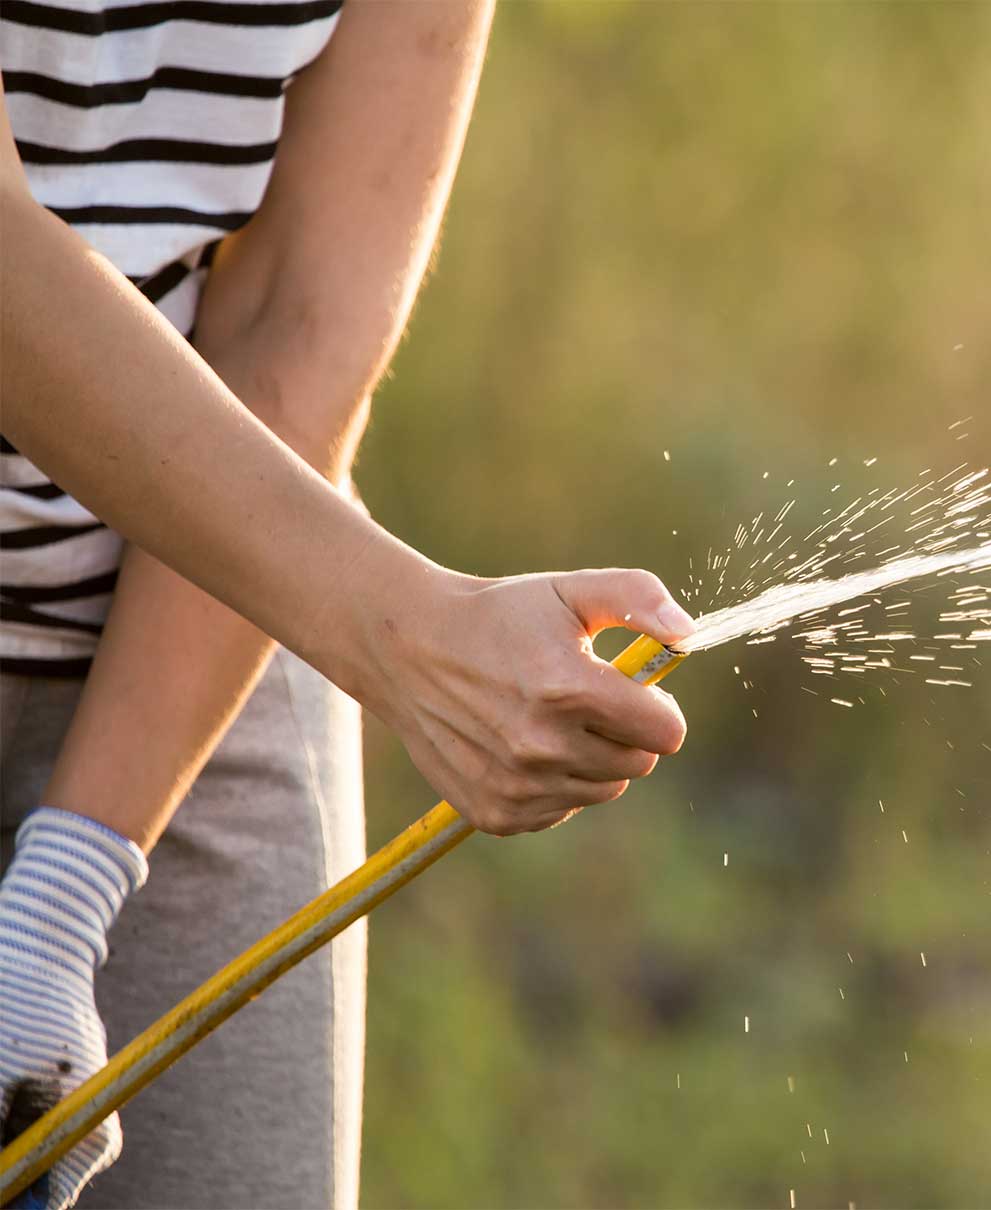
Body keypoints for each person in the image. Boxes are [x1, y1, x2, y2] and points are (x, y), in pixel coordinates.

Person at [0, 2, 686, 1205]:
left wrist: (71, 883)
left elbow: (295, 329)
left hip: (205, 609)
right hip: (298, 577)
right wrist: (410, 633)